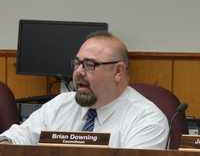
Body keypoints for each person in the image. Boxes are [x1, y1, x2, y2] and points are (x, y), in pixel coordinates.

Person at [0, 31, 169, 149]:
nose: (78, 72)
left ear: (118, 72)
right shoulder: (62, 104)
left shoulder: (147, 120)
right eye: (77, 63)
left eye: (89, 65)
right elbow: (17, 138)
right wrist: (7, 146)